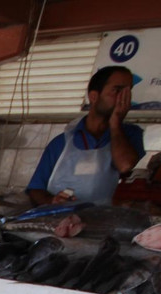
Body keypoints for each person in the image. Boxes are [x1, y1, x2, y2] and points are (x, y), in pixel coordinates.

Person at [26, 66, 144, 207]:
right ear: (94, 97)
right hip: (59, 221)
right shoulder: (62, 142)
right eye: (117, 90)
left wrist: (115, 123)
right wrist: (52, 201)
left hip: (102, 221)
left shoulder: (130, 134)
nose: (123, 99)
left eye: (128, 91)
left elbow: (125, 165)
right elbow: (35, 190)